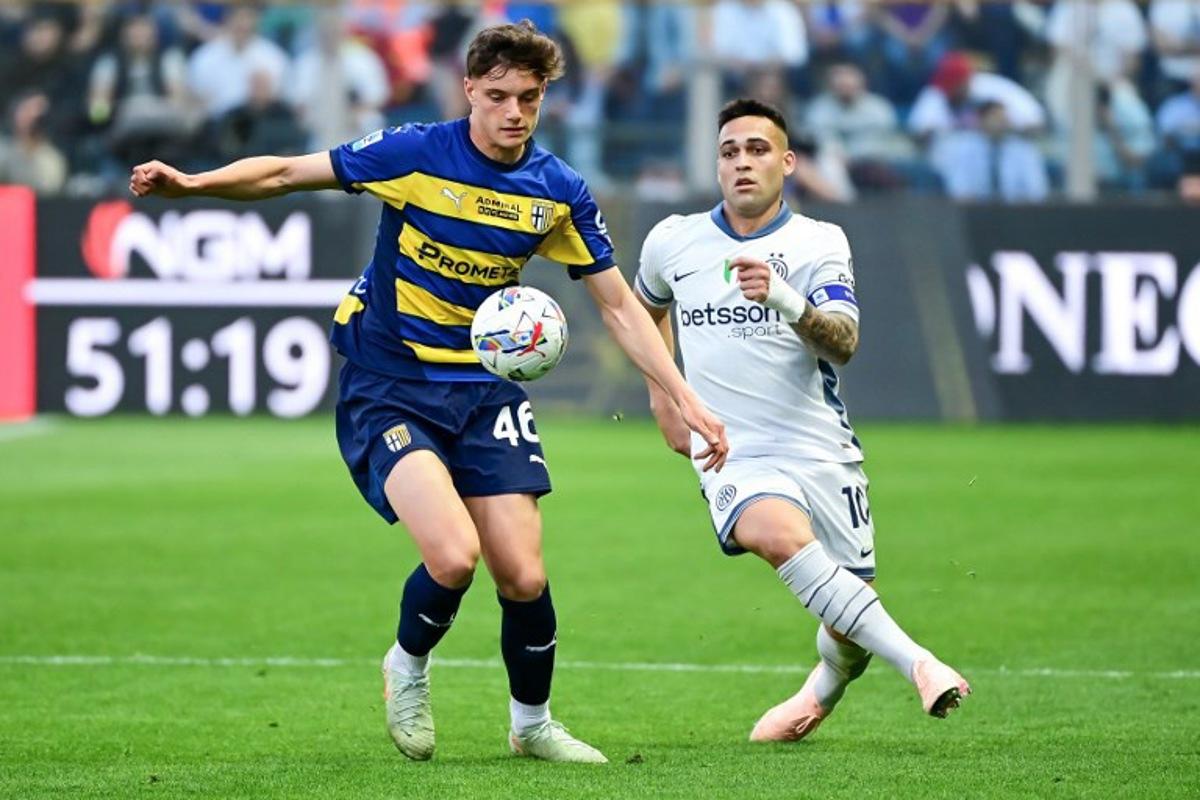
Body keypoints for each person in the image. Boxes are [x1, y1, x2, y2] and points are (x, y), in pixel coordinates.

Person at [129, 21, 728, 764]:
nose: (515, 112)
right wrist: (195, 184)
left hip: (484, 388)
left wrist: (682, 395)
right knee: (452, 558)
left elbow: (617, 306)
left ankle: (532, 724)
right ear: (470, 89)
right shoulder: (415, 154)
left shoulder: (556, 192)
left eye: (530, 98)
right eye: (500, 95)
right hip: (393, 382)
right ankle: (407, 666)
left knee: (525, 572)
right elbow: (287, 173)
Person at [634, 97, 970, 743]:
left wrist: (784, 298)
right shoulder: (673, 241)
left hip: (820, 447)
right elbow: (644, 312)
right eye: (729, 151)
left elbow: (843, 342)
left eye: (757, 150)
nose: (741, 163)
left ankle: (818, 693)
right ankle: (922, 665)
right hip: (733, 450)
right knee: (778, 537)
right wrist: (663, 396)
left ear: (787, 163)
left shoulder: (819, 242)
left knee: (849, 623)